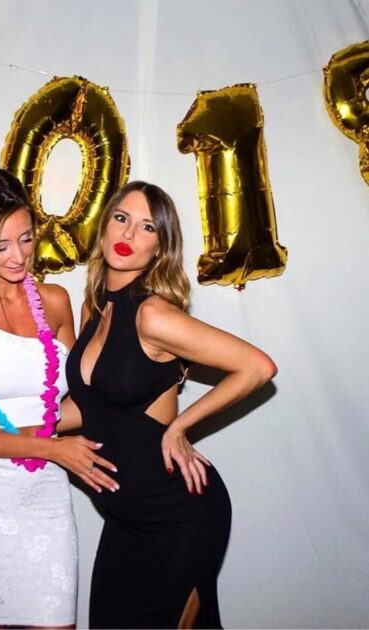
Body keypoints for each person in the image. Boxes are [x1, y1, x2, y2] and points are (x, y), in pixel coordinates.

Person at [65, 181, 278, 629]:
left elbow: (256, 367)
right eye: (121, 218)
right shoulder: (93, 308)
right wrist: (19, 430)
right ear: (103, 227)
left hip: (178, 513)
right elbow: (90, 409)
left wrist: (179, 427)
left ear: (160, 248)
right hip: (124, 517)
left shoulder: (153, 315)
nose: (129, 234)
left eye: (147, 227)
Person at [0, 169, 118, 629]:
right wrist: (48, 446)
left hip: (45, 497)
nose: (19, 256)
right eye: (1, 246)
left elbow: (83, 398)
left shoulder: (55, 302)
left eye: (27, 238)